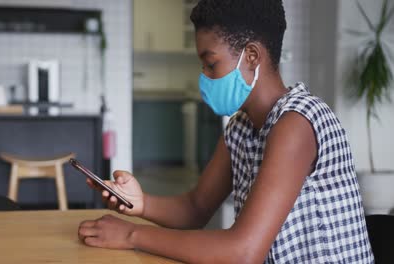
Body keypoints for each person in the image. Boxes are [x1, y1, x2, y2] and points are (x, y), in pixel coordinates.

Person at [78, 0, 374, 263]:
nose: (204, 77)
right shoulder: (241, 128)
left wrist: (132, 235)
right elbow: (196, 208)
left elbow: (243, 252)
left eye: (210, 63)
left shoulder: (297, 123)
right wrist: (141, 204)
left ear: (252, 56)